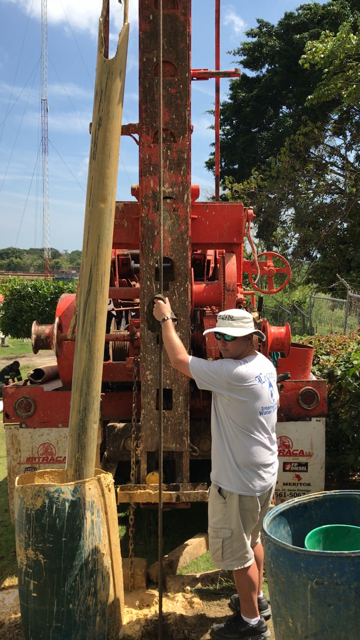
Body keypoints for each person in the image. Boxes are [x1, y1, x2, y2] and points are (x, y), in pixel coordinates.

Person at [153, 299, 278, 640]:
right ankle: (258, 600)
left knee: (238, 556)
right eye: (218, 335)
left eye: (229, 337)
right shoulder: (263, 365)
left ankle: (251, 624)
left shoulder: (232, 374)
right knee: (252, 540)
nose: (221, 343)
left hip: (237, 481)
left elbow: (179, 360)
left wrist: (165, 318)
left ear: (252, 338)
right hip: (262, 473)